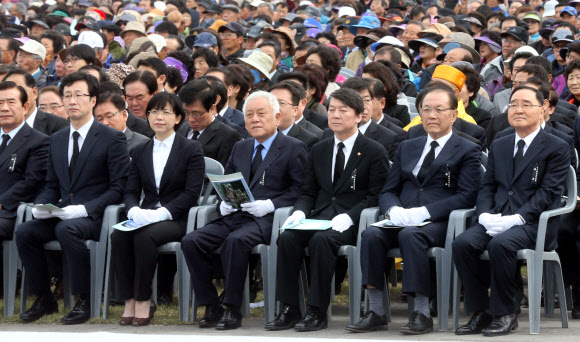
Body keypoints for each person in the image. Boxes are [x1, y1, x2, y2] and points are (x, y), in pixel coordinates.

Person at [348, 84, 482, 334]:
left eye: (439, 110)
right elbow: (388, 189)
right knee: (371, 235)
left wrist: (426, 213)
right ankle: (375, 310)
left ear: (454, 114)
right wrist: (392, 210)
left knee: (412, 235)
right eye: (426, 109)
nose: (431, 115)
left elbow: (467, 196)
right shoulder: (408, 146)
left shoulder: (467, 149)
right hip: (402, 216)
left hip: (439, 221)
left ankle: (421, 312)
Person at [265, 88, 389, 332]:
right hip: (319, 216)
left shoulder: (374, 151)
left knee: (323, 241)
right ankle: (290, 307)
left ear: (359, 116)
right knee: (287, 237)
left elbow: (376, 196)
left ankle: (317, 310)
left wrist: (351, 216)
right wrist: (299, 212)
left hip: (351, 221)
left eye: (343, 110)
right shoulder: (319, 149)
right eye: (332, 109)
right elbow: (308, 191)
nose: (335, 115)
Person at [181, 91, 308, 330]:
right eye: (249, 114)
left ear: (277, 116)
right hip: (236, 215)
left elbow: (300, 189)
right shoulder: (241, 146)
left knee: (235, 241)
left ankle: (232, 308)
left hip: (266, 219)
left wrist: (271, 204)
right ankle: (211, 304)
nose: (255, 119)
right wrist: (224, 203)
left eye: (261, 113)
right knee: (191, 241)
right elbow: (227, 181)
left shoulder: (293, 147)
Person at [452, 85, 571, 337]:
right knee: (463, 243)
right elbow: (488, 185)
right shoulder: (501, 143)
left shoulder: (557, 147)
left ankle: (506, 311)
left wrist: (518, 217)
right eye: (514, 104)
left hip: (534, 222)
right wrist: (484, 214)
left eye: (526, 104)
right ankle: (481, 310)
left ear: (543, 110)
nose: (518, 109)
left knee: (501, 245)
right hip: (497, 217)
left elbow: (548, 193)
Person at [15, 72, 130, 324]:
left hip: (96, 215)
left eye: (79, 95)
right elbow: (51, 185)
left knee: (68, 230)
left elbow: (119, 187)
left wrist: (85, 209)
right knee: (25, 231)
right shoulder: (56, 139)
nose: (72, 101)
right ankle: (44, 297)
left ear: (93, 100)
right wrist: (41, 206)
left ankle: (85, 298)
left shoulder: (112, 137)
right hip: (63, 213)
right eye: (67, 95)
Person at [111, 91, 205, 327]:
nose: (158, 117)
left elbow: (191, 194)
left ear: (177, 118)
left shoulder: (191, 149)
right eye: (153, 111)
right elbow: (131, 190)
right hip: (145, 214)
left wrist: (162, 213)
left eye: (165, 112)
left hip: (177, 217)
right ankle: (129, 299)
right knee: (119, 235)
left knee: (144, 237)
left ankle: (144, 300)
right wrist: (133, 210)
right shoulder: (141, 150)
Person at [0, 81, 50, 281]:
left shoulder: (39, 141)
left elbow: (32, 182)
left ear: (25, 106)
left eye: (11, 102)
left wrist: (2, 203)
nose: (4, 108)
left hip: (11, 212)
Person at [177, 78, 241, 167]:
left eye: (196, 114)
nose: (190, 119)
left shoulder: (228, 136)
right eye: (186, 112)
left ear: (212, 109)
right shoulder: (180, 129)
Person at [4, 69, 68, 136]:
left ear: (34, 92)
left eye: (20, 90)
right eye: (9, 93)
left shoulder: (56, 124)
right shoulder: (3, 123)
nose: (14, 97)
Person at [268, 81, 319, 150]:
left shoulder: (307, 141)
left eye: (281, 103)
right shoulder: (253, 133)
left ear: (295, 110)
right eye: (271, 102)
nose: (275, 108)